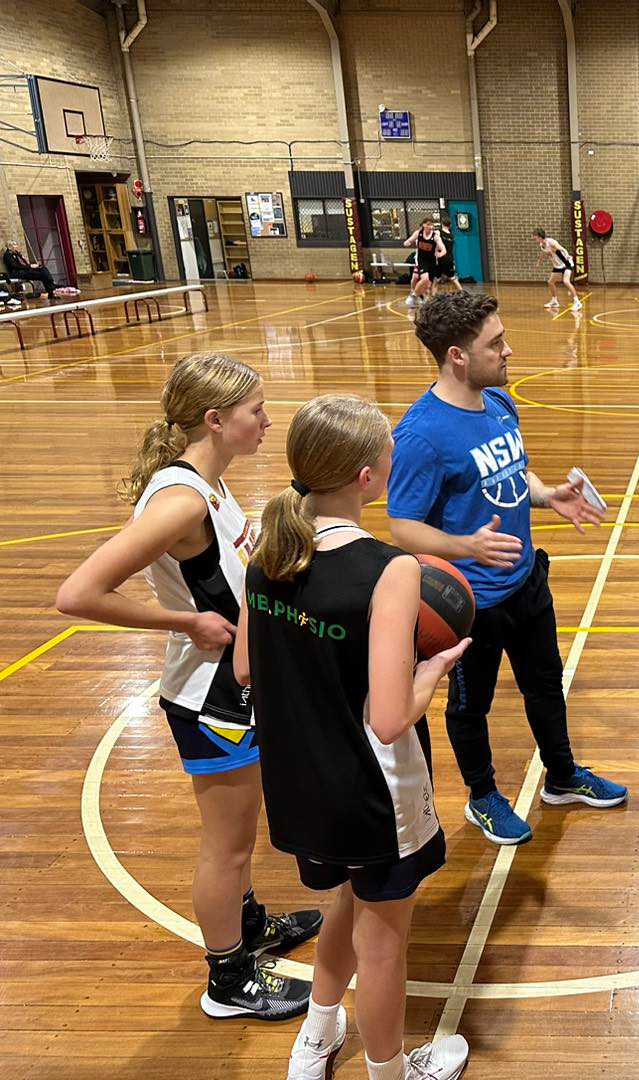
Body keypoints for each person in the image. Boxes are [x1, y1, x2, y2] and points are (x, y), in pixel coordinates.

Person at [55, 353, 319, 1022]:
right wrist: (183, 620)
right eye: (255, 410)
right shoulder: (179, 500)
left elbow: (216, 570)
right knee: (226, 845)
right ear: (215, 419)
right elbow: (79, 594)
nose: (266, 420)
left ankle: (251, 925)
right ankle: (227, 980)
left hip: (234, 690)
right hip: (212, 700)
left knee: (241, 837)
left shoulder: (209, 484)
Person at [237, 394, 471, 1080]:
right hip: (370, 788)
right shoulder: (391, 569)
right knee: (384, 942)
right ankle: (393, 1072)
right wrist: (434, 669)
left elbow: (248, 665)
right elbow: (391, 719)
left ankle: (315, 1037)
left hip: (296, 781)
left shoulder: (271, 548)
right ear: (367, 477)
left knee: (341, 900)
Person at [387, 291, 626, 845]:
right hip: (471, 603)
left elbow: (515, 472)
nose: (509, 351)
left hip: (525, 582)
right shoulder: (421, 435)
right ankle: (482, 796)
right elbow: (402, 527)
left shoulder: (498, 402)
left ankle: (562, 777)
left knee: (546, 683)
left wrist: (547, 496)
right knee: (472, 706)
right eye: (495, 344)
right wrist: (466, 546)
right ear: (457, 356)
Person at [402, 218, 446, 309]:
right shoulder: (418, 233)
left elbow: (444, 249)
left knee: (427, 284)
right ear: (424, 225)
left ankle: (419, 296)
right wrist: (407, 242)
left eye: (432, 225)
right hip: (421, 260)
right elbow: (410, 240)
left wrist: (440, 254)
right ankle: (412, 296)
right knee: (421, 278)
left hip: (432, 261)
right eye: (429, 224)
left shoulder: (435, 236)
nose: (431, 227)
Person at [533, 228, 581, 311]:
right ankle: (554, 301)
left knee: (566, 281)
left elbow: (562, 249)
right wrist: (539, 262)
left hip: (566, 263)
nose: (534, 239)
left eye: (535, 237)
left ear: (540, 236)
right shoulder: (542, 245)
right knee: (550, 282)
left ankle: (577, 302)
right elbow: (544, 253)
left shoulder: (551, 242)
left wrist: (567, 255)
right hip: (558, 266)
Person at [435, 214, 457, 284]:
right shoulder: (452, 236)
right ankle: (461, 290)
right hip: (449, 258)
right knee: (452, 277)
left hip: (441, 258)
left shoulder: (438, 232)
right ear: (450, 225)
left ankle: (432, 294)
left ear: (441, 223)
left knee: (437, 279)